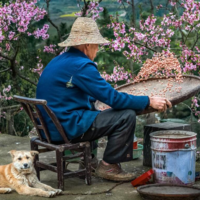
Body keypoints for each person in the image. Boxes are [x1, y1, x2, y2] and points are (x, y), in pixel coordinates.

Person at [36, 17, 172, 181]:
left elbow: (87, 93)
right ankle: (108, 166)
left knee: (94, 109)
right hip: (66, 128)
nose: (97, 49)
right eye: (97, 45)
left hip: (50, 128)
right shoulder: (81, 65)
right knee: (126, 115)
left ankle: (88, 162)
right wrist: (148, 101)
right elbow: (114, 99)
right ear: (87, 45)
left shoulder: (60, 60)